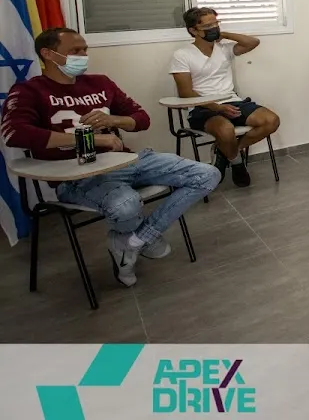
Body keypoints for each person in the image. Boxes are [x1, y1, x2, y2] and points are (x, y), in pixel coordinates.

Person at [1, 27, 220, 287]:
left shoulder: (100, 83)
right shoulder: (28, 91)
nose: (83, 56)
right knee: (126, 205)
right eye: (75, 51)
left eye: (85, 50)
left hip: (125, 161)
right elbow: (15, 133)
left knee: (206, 174)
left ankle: (135, 240)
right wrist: (91, 139)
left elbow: (142, 119)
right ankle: (137, 242)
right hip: (76, 175)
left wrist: (115, 120)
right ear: (48, 54)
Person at [169, 7, 280, 188]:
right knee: (226, 130)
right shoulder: (182, 55)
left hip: (232, 100)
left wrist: (224, 34)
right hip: (202, 107)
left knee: (271, 121)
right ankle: (236, 162)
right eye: (208, 26)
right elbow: (185, 92)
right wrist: (216, 107)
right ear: (193, 30)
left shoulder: (224, 48)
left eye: (216, 24)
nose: (214, 28)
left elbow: (253, 42)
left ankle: (223, 151)